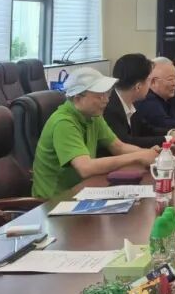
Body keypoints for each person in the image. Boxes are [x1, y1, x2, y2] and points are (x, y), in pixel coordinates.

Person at [31, 68, 160, 199]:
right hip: (55, 200)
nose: (106, 100)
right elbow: (85, 168)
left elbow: (118, 147)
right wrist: (138, 156)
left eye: (107, 94)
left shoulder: (93, 116)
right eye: (99, 96)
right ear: (77, 99)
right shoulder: (63, 123)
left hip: (82, 190)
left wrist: (149, 153)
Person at [103, 53, 167, 148]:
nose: (150, 85)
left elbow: (146, 130)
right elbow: (126, 142)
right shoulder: (109, 108)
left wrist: (171, 133)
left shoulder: (131, 103)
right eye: (149, 80)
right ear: (138, 87)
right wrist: (168, 139)